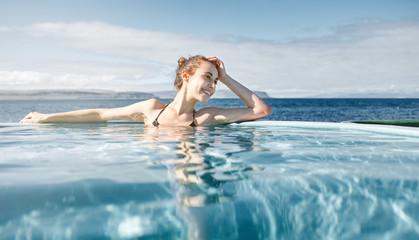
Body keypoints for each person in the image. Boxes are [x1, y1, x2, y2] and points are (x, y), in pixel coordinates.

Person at [20, 56, 272, 127]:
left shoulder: (204, 118)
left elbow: (261, 110)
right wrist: (45, 117)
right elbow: (99, 115)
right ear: (186, 76)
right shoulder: (151, 110)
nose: (212, 86)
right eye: (208, 77)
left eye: (216, 82)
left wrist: (226, 77)